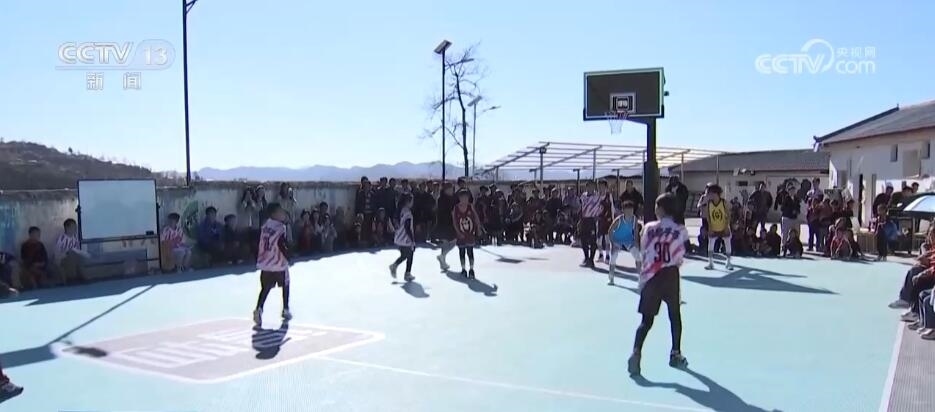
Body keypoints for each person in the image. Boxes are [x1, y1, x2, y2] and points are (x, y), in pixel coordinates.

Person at [627, 193, 689, 376]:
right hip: (670, 274)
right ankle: (675, 353)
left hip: (651, 275)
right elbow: (682, 252)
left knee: (646, 321)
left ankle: (636, 352)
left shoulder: (648, 228)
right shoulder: (680, 229)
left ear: (660, 209)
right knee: (674, 316)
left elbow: (644, 249)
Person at [253, 203, 293, 328]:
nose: (283, 214)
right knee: (285, 284)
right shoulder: (281, 227)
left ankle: (259, 308)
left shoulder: (265, 226)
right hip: (278, 262)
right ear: (274, 214)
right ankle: (285, 309)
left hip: (265, 262)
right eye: (280, 212)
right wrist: (288, 256)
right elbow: (282, 244)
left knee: (265, 288)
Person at [608, 201, 641, 285]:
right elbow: (610, 231)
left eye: (631, 210)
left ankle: (641, 278)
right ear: (623, 210)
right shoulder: (618, 220)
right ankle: (611, 277)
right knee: (613, 257)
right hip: (617, 240)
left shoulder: (634, 219)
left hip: (628, 240)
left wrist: (636, 243)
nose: (630, 212)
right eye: (628, 210)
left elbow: (636, 231)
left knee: (637, 256)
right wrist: (613, 243)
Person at [704, 185, 733, 271]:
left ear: (715, 193)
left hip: (723, 227)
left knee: (727, 244)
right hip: (713, 227)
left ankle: (728, 262)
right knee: (710, 245)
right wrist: (710, 227)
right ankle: (710, 263)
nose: (708, 195)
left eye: (710, 193)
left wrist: (726, 226)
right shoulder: (709, 203)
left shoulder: (723, 202)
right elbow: (708, 216)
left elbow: (728, 215)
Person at [453, 189, 481, 278]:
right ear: (459, 198)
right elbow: (454, 221)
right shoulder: (456, 208)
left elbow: (476, 218)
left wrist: (478, 228)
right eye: (462, 198)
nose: (464, 200)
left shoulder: (470, 207)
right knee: (461, 252)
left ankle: (471, 269)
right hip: (460, 234)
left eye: (466, 198)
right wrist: (458, 232)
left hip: (470, 233)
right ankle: (463, 269)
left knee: (470, 251)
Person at [389, 193, 416, 282]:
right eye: (412, 201)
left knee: (405, 255)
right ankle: (404, 271)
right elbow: (407, 227)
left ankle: (403, 270)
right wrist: (412, 240)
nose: (413, 203)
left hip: (399, 237)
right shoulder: (407, 212)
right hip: (405, 238)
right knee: (409, 255)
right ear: (407, 202)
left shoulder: (399, 210)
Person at [55, 218, 90, 285]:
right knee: (71, 254)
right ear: (67, 228)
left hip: (74, 257)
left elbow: (78, 250)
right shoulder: (61, 238)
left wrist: (85, 254)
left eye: (75, 226)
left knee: (78, 256)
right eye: (73, 227)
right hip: (63, 258)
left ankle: (82, 276)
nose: (75, 228)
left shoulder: (75, 238)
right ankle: (71, 277)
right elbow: (57, 252)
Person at [579, 181, 602, 267]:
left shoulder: (597, 196)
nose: (591, 188)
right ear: (587, 187)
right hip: (584, 219)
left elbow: (602, 206)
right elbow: (581, 207)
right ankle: (586, 258)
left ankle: (591, 259)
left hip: (593, 220)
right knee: (583, 239)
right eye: (589, 186)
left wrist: (598, 215)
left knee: (593, 240)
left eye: (592, 186)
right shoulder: (583, 196)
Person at [435, 183, 458, 270]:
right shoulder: (441, 199)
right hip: (444, 224)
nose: (452, 190)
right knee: (449, 242)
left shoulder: (453, 198)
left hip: (450, 223)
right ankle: (442, 259)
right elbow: (443, 212)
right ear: (445, 190)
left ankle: (442, 260)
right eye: (450, 189)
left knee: (451, 242)